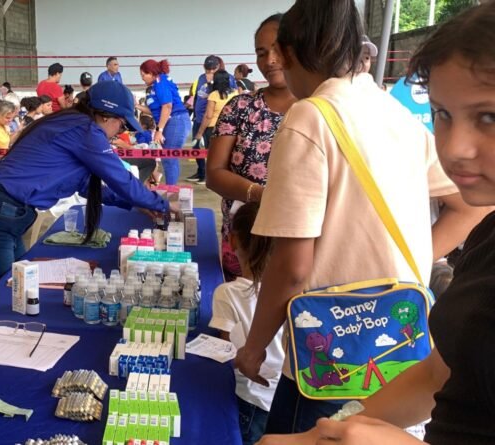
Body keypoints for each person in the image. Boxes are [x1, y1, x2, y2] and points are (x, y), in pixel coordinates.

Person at [232, 0, 490, 435]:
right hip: (400, 331)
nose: (459, 144)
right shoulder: (395, 113)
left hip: (331, 342)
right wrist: (406, 263)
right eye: (445, 115)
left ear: (291, 54)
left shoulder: (309, 116)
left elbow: (292, 266)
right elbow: (469, 206)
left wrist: (254, 347)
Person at [0, 81, 178, 304]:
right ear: (107, 116)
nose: (120, 132)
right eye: (123, 125)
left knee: (17, 295)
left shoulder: (70, 123)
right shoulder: (84, 129)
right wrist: (162, 205)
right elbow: (121, 178)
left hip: (0, 216)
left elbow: (87, 185)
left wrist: (136, 203)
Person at [205, 14, 298, 280]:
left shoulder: (318, 109)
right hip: (244, 244)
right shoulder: (240, 107)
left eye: (278, 49)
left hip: (300, 245)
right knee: (239, 311)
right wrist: (261, 195)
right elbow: (214, 173)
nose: (269, 60)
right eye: (261, 52)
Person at [210, 202, 284, 445]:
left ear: (232, 241)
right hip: (280, 397)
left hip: (248, 397)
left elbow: (226, 351)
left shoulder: (227, 293)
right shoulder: (294, 295)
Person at [136, 59, 191, 185]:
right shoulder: (156, 85)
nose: (142, 79)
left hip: (176, 121)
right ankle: (172, 192)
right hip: (171, 122)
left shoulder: (161, 82)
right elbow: (156, 111)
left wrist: (159, 131)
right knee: (169, 159)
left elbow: (167, 106)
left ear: (151, 73)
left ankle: (172, 194)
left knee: (169, 158)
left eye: (143, 75)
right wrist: (136, 106)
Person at [192, 69, 238, 184]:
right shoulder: (235, 93)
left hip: (213, 129)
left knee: (212, 156)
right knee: (227, 155)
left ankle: (210, 178)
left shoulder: (214, 95)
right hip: (230, 128)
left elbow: (208, 116)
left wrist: (199, 133)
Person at [187, 55, 223, 183]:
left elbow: (223, 96)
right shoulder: (201, 78)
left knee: (211, 150)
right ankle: (201, 171)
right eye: (208, 69)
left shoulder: (225, 78)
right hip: (199, 119)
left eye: (213, 69)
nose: (210, 72)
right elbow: (197, 95)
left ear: (218, 67)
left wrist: (211, 83)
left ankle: (209, 176)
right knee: (196, 147)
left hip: (212, 120)